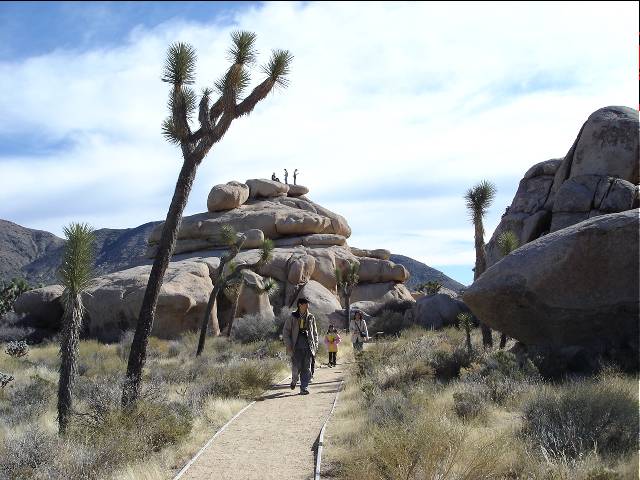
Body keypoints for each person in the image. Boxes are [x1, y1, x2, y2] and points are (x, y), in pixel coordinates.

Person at [282, 298, 318, 395]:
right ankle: (294, 381)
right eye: (305, 304)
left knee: (306, 368)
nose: (307, 306)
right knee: (296, 368)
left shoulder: (311, 317)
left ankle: (304, 388)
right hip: (296, 347)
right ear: (300, 305)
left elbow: (315, 332)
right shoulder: (292, 317)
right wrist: (288, 345)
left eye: (308, 304)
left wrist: (315, 345)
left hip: (308, 347)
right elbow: (286, 332)